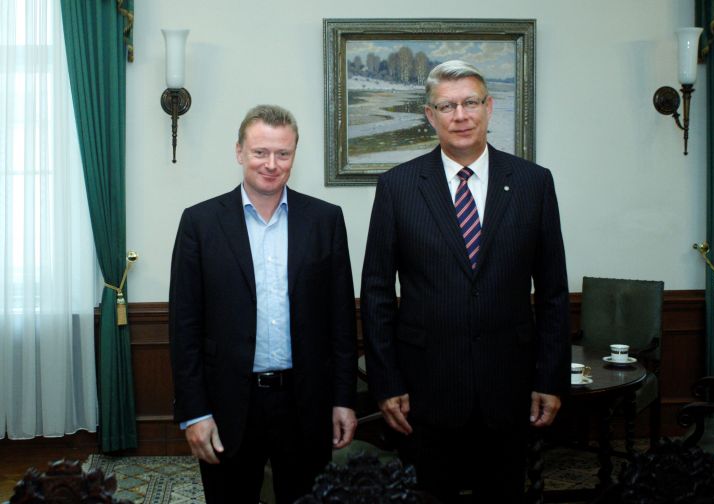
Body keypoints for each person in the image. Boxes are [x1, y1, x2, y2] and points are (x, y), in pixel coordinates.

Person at [360, 60, 570, 502]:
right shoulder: (398, 187)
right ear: (429, 115)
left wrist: (550, 378)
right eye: (447, 106)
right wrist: (387, 383)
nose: (461, 115)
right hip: (424, 393)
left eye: (470, 103)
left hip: (509, 388)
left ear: (489, 107)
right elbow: (376, 293)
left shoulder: (533, 183)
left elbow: (553, 292)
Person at [169, 104, 358, 504]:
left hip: (305, 403)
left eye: (283, 153)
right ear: (239, 151)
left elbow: (341, 321)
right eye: (260, 152)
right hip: (228, 405)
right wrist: (195, 412)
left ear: (294, 155)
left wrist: (344, 399)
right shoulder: (200, 224)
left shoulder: (325, 221)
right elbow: (184, 328)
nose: (271, 164)